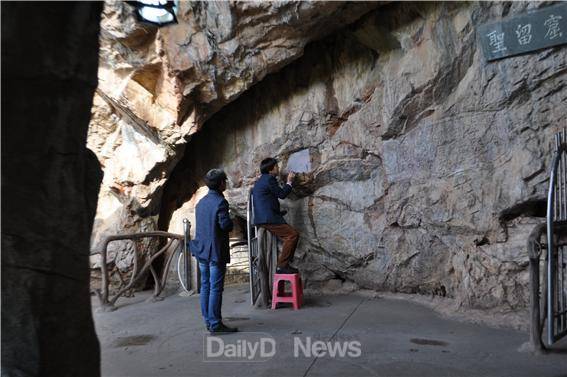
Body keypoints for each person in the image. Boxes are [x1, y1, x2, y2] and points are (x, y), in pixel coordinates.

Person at [189, 169, 237, 333]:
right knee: (215, 288)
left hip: (202, 250)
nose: (226, 183)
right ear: (221, 183)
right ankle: (215, 324)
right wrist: (231, 222)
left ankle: (208, 321)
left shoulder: (201, 202)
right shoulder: (220, 202)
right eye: (225, 181)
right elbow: (225, 225)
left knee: (205, 286)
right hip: (215, 251)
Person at [252, 157, 300, 274]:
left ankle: (286, 260)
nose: (278, 168)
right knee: (292, 235)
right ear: (270, 169)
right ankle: (282, 266)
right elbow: (282, 194)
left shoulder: (261, 180)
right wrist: (289, 182)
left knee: (289, 236)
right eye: (276, 167)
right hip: (268, 218)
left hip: (263, 217)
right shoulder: (269, 179)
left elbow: (267, 200)